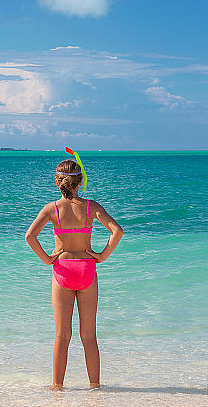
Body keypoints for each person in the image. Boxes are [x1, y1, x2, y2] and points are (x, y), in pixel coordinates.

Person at [25, 159, 124, 390]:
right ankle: (95, 388)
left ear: (57, 182)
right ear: (80, 182)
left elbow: (30, 236)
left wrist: (47, 259)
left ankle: (57, 388)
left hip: (63, 269)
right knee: (89, 336)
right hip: (87, 269)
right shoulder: (91, 207)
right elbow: (117, 231)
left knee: (62, 336)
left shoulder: (52, 209)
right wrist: (102, 255)